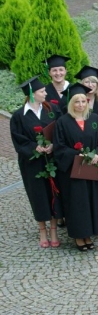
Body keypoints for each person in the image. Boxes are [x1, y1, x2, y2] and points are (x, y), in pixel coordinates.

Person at [53, 83, 98, 251]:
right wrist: (77, 155)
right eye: (77, 102)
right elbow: (59, 147)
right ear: (71, 103)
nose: (80, 105)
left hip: (91, 168)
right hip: (73, 170)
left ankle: (89, 234)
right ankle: (79, 236)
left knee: (91, 201)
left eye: (83, 101)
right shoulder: (63, 122)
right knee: (77, 203)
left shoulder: (94, 119)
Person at [10, 77, 63, 248]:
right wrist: (34, 147)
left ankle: (53, 230)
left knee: (54, 193)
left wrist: (53, 145)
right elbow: (18, 140)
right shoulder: (19, 116)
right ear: (32, 94)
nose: (46, 93)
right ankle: (42, 230)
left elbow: (60, 130)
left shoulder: (52, 109)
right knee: (37, 194)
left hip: (51, 160)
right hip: (32, 163)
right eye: (42, 91)